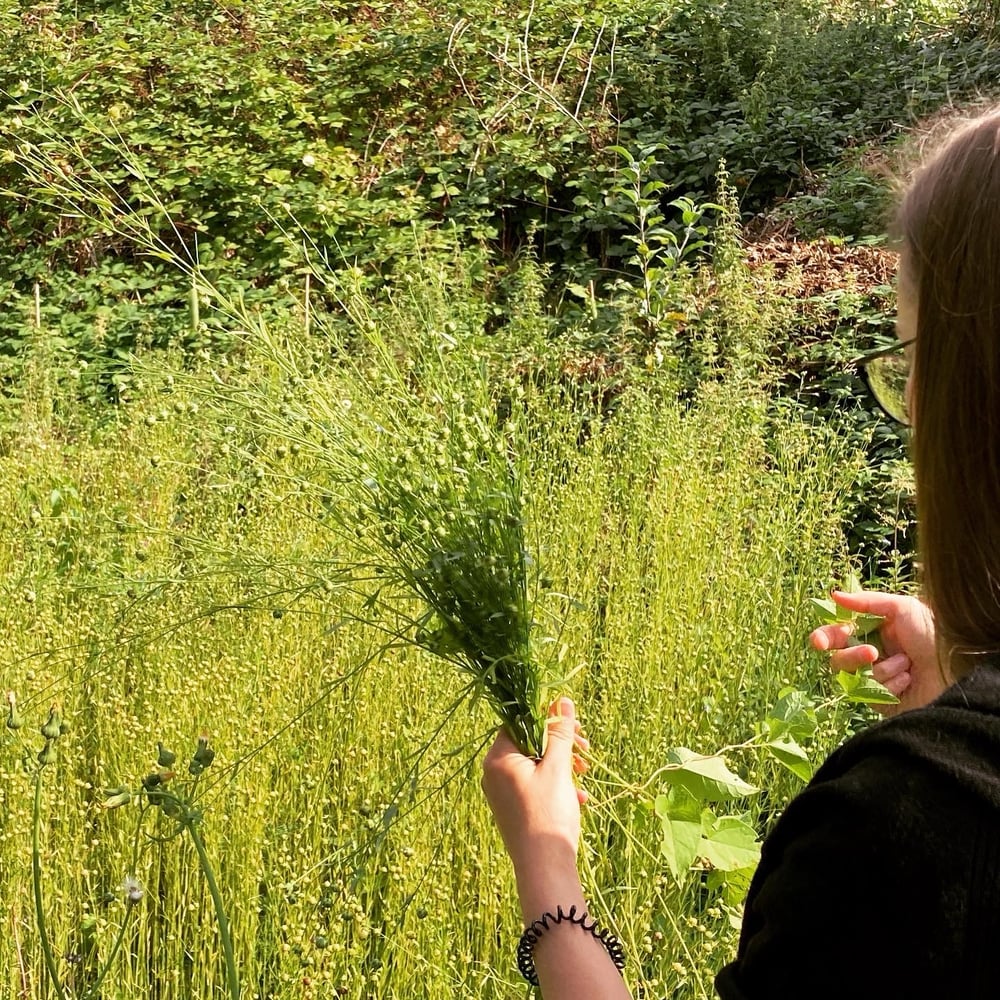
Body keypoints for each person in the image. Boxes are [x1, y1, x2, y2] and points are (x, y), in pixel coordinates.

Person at [482, 107, 1000, 999]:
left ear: (963, 389)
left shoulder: (908, 825)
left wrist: (548, 876)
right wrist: (965, 681)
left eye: (913, 350)